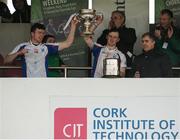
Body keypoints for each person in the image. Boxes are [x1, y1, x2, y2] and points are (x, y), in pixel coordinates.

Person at [4, 17, 78, 77]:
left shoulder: (46, 47)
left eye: (43, 33)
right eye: (39, 33)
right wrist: (18, 53)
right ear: (32, 34)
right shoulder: (22, 46)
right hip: (27, 83)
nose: (41, 35)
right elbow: (6, 60)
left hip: (43, 83)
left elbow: (68, 43)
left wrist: (73, 26)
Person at [154, 9, 180, 74]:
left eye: (164, 19)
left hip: (174, 66)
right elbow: (150, 49)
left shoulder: (177, 31)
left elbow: (178, 49)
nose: (161, 21)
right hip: (158, 65)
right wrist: (159, 38)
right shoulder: (155, 31)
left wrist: (171, 38)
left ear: (170, 20)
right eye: (160, 19)